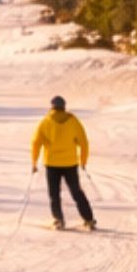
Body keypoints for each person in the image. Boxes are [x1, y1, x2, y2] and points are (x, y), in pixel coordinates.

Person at [30, 94, 95, 229]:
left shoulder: (45, 121)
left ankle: (59, 220)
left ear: (52, 107)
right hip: (70, 163)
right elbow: (84, 142)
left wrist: (34, 162)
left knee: (54, 194)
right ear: (64, 107)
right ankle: (89, 219)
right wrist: (83, 161)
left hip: (52, 163)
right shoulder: (73, 121)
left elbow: (35, 142)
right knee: (76, 192)